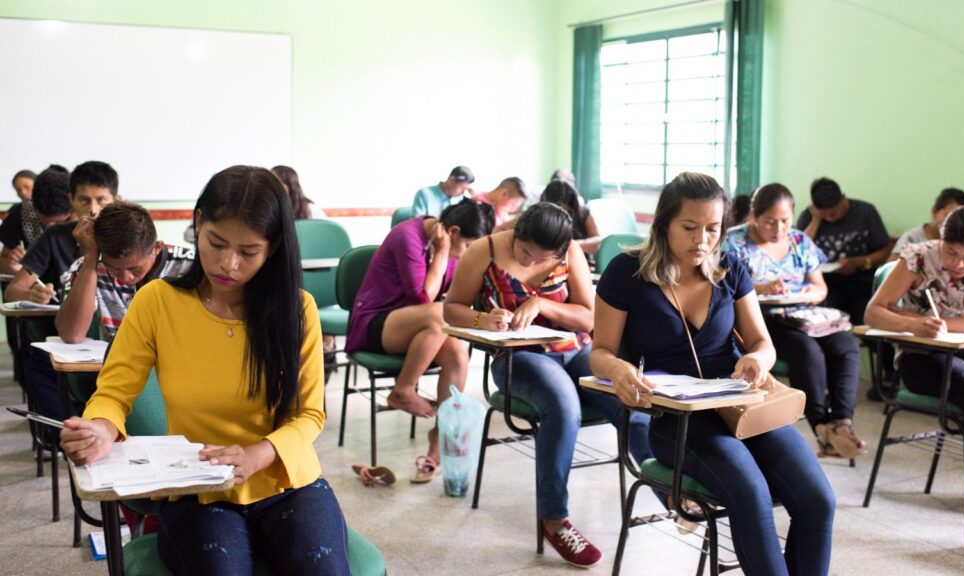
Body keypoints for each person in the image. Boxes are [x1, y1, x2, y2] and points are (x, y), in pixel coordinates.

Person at [60, 165, 350, 575]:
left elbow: (309, 414)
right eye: (216, 243)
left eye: (248, 252)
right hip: (197, 487)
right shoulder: (157, 302)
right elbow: (114, 393)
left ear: (274, 247)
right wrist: (100, 429)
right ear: (197, 224)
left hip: (286, 482)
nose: (228, 264)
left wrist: (257, 454)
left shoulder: (296, 310)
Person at [591, 172, 835, 576]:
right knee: (751, 494)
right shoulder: (626, 273)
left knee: (817, 500)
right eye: (689, 227)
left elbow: (763, 343)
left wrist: (758, 360)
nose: (701, 240)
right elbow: (600, 352)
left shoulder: (731, 270)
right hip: (678, 422)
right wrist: (618, 368)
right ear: (663, 223)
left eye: (712, 229)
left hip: (740, 407)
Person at [444, 202, 652, 568]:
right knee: (563, 405)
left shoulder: (570, 252)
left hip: (574, 351)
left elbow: (588, 317)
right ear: (516, 233)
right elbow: (451, 308)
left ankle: (672, 492)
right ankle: (555, 520)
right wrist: (484, 317)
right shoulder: (486, 250)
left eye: (541, 259)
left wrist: (543, 304)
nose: (528, 262)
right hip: (518, 358)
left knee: (628, 398)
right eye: (524, 253)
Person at [864, 205, 964, 567]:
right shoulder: (919, 257)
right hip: (922, 356)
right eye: (951, 252)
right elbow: (874, 312)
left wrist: (941, 323)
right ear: (940, 238)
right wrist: (916, 325)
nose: (959, 264)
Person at [344, 201, 495, 482]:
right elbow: (423, 298)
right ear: (452, 231)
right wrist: (442, 252)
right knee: (441, 314)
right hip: (375, 324)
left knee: (457, 351)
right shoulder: (408, 236)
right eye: (468, 245)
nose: (467, 254)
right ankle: (403, 389)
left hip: (420, 328)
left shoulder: (450, 246)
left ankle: (439, 440)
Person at [723, 183, 865, 459]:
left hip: (804, 317)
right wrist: (763, 288)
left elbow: (820, 287)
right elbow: (724, 285)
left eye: (785, 221)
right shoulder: (735, 241)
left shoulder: (800, 241)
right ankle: (822, 426)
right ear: (754, 215)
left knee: (847, 346)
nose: (778, 230)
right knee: (806, 350)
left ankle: (842, 423)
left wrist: (808, 292)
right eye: (770, 222)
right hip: (762, 321)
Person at [56, 202, 194, 343]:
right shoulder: (90, 266)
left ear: (157, 248)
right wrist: (91, 257)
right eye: (113, 268)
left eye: (135, 269)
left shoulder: (190, 266)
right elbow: (71, 335)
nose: (124, 278)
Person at [4, 160, 119, 303]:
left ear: (115, 199)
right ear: (71, 199)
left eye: (101, 200)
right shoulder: (53, 237)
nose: (93, 209)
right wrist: (31, 295)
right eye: (84, 200)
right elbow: (12, 291)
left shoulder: (127, 235)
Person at [795, 177, 892, 325]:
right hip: (827, 284)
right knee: (821, 321)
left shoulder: (865, 212)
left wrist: (860, 262)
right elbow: (799, 251)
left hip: (861, 281)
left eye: (833, 213)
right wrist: (816, 220)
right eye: (824, 214)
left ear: (843, 199)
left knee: (869, 317)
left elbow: (885, 250)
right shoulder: (809, 217)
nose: (830, 218)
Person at [0, 166, 72, 275]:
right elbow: (4, 263)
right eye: (46, 223)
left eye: (59, 223)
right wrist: (14, 267)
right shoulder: (21, 214)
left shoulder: (86, 219)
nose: (52, 230)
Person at [890, 187, 964, 257]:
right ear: (934, 212)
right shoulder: (912, 238)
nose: (953, 223)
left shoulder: (962, 243)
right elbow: (890, 269)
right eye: (948, 216)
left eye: (960, 219)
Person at [539, 179, 601, 255]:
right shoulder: (539, 216)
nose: (560, 212)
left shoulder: (583, 213)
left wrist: (570, 246)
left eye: (564, 207)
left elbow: (598, 241)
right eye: (556, 207)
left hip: (579, 258)